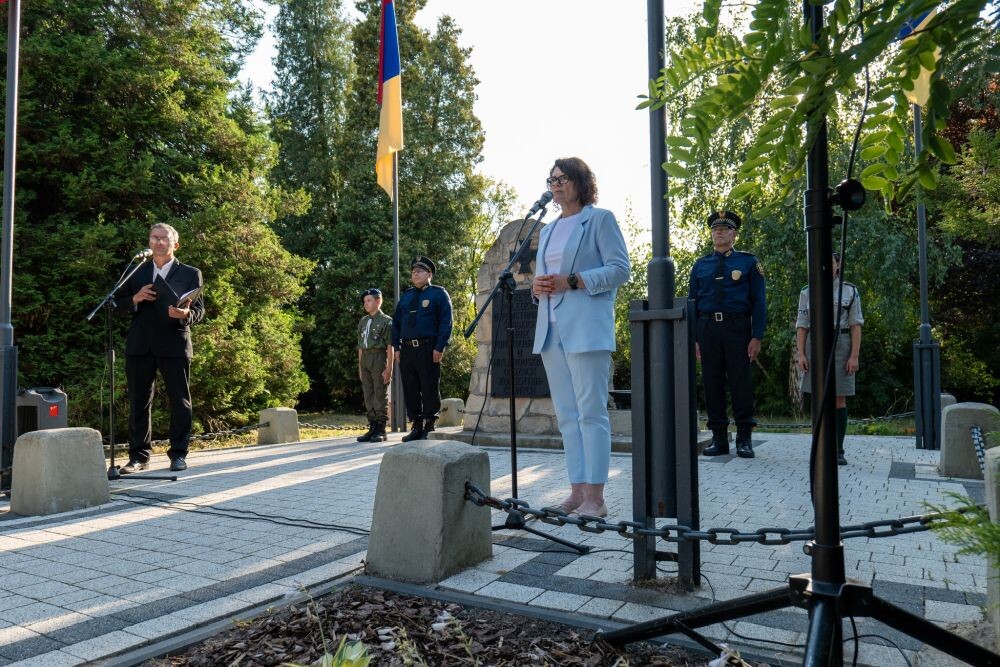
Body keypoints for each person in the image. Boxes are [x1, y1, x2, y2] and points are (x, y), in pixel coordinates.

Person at [531, 157, 630, 518]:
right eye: (552, 179)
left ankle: (596, 497)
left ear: (581, 182)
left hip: (586, 329)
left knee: (591, 413)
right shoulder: (547, 231)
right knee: (567, 416)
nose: (556, 185)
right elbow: (547, 280)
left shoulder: (600, 219)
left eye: (563, 178)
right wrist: (538, 289)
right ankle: (576, 491)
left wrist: (572, 281)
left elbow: (620, 270)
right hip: (551, 328)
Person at [115, 223, 204, 473]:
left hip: (174, 343)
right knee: (139, 402)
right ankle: (138, 457)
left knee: (180, 400)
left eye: (164, 238)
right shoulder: (136, 271)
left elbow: (199, 311)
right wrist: (135, 298)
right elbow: (116, 305)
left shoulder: (190, 273)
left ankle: (178, 454)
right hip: (140, 344)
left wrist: (185, 314)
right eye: (154, 238)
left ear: (176, 244)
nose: (158, 242)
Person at [690, 211, 766, 459]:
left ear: (734, 234)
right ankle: (719, 438)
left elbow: (759, 302)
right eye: (715, 230)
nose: (719, 233)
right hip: (708, 329)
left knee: (740, 383)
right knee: (712, 383)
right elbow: (692, 303)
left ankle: (744, 438)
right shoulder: (700, 265)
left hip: (737, 329)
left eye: (724, 229)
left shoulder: (748, 262)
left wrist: (757, 336)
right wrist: (694, 339)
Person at [796, 252, 863, 465]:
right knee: (817, 397)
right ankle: (820, 446)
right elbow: (802, 325)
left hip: (840, 343)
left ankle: (838, 449)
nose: (826, 266)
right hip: (815, 344)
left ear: (837, 265)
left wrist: (854, 356)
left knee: (838, 398)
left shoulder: (849, 291)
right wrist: (801, 354)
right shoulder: (807, 292)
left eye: (830, 262)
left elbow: (856, 325)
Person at [392, 257, 453, 442]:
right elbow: (396, 323)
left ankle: (429, 425)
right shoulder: (406, 296)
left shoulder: (438, 294)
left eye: (419, 271)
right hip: (407, 349)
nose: (415, 274)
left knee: (429, 386)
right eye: (413, 272)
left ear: (429, 274)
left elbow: (446, 322)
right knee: (410, 388)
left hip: (428, 347)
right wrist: (396, 347)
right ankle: (416, 425)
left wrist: (440, 346)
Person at [357, 288, 393, 442]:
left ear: (378, 302)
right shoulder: (363, 321)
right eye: (364, 301)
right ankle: (372, 427)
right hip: (365, 357)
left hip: (379, 356)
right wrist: (360, 367)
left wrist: (389, 368)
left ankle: (381, 429)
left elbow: (390, 346)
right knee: (368, 393)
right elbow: (360, 346)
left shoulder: (386, 321)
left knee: (379, 392)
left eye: (369, 300)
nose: (365, 304)